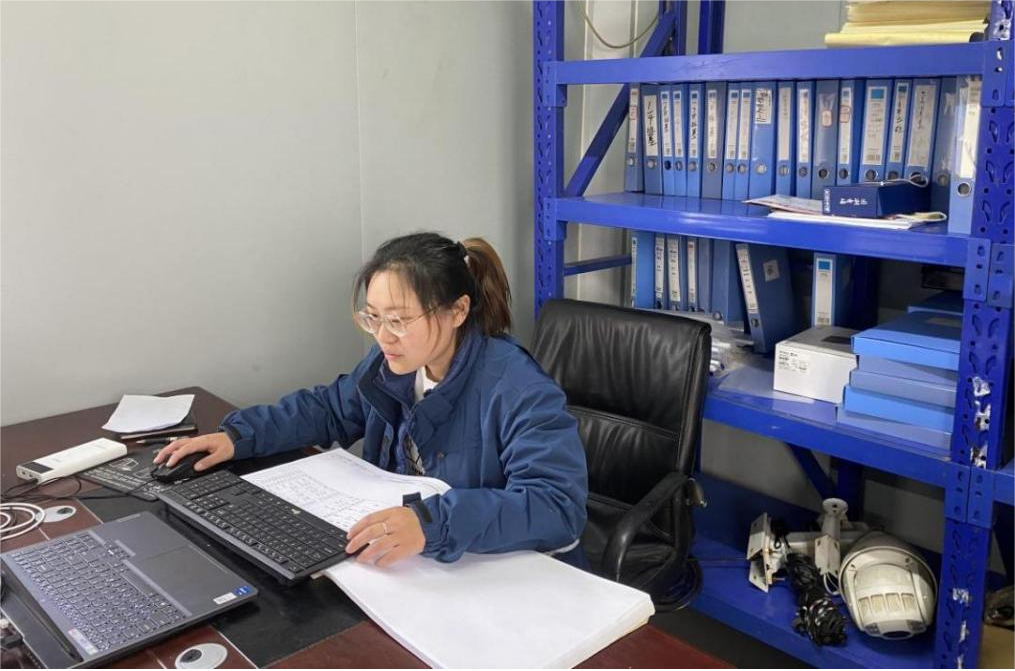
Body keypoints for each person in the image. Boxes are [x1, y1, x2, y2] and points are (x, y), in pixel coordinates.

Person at [154, 232, 588, 568]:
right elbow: (329, 409)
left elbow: (556, 506)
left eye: (398, 320)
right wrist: (238, 437)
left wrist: (432, 523)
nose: (382, 337)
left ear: (457, 311)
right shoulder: (395, 363)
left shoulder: (517, 388)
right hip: (415, 564)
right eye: (374, 318)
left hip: (506, 578)